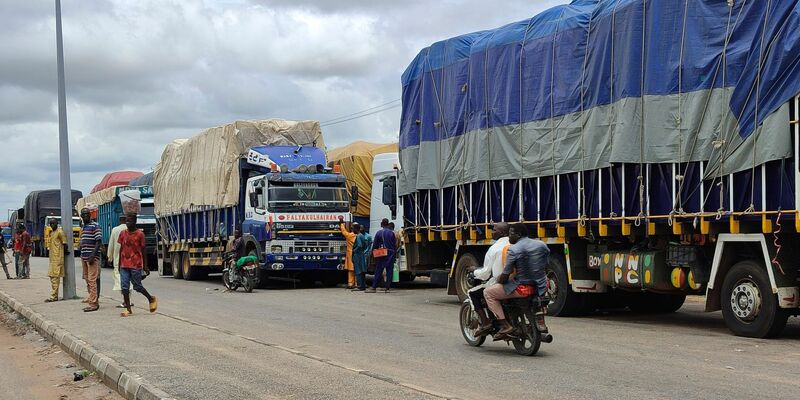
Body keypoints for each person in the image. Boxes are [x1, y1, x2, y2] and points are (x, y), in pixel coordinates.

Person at [483, 223, 549, 336]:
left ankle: (505, 326)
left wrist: (499, 280)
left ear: (518, 234)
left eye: (511, 234)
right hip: (541, 285)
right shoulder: (542, 245)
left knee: (488, 293)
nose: (509, 237)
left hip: (522, 286)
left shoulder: (513, 250)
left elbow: (506, 274)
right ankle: (539, 318)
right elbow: (546, 264)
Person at [470, 223, 510, 337]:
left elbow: (485, 273)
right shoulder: (515, 245)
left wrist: (474, 272)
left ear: (502, 233)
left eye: (494, 230)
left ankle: (486, 322)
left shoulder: (494, 248)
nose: (491, 232)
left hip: (501, 283)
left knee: (473, 293)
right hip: (517, 281)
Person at [117, 213, 157, 317]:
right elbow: (121, 248)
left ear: (135, 222)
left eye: (129, 221)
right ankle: (128, 308)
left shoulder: (140, 234)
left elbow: (143, 250)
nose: (127, 223)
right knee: (124, 287)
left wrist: (145, 266)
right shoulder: (122, 233)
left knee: (137, 286)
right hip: (124, 264)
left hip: (136, 264)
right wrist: (119, 263)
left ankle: (150, 298)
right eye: (126, 221)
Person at [79, 208, 102, 312]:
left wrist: (93, 255)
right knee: (88, 280)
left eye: (87, 214)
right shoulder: (83, 227)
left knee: (92, 280)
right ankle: (91, 298)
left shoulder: (95, 225)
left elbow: (98, 241)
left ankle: (93, 303)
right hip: (84, 256)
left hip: (91, 257)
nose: (85, 216)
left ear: (90, 215)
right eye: (83, 215)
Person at [366, 218, 397, 293]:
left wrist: (372, 253)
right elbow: (394, 244)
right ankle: (387, 288)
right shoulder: (392, 233)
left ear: (382, 224)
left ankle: (374, 287)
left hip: (382, 253)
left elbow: (375, 244)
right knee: (389, 271)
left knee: (378, 270)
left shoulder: (379, 233)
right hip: (391, 253)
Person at [107, 215, 131, 308]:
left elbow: (111, 244)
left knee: (120, 279)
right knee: (129, 280)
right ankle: (128, 300)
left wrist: (109, 257)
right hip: (130, 258)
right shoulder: (131, 229)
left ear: (120, 220)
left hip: (118, 258)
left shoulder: (115, 230)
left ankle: (125, 301)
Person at [45, 218, 67, 302]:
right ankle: (54, 295)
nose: (52, 225)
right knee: (51, 276)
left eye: (53, 223)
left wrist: (64, 253)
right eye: (50, 224)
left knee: (55, 277)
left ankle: (53, 296)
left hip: (57, 258)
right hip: (52, 258)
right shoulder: (52, 233)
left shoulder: (60, 232)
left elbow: (65, 244)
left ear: (57, 224)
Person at [338, 216, 358, 289]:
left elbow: (343, 231)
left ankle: (350, 284)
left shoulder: (349, 236)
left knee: (351, 270)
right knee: (357, 270)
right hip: (358, 255)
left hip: (350, 254)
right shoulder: (360, 236)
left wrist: (341, 223)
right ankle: (356, 284)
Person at [351, 224, 368, 291]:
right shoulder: (362, 236)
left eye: (352, 229)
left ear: (356, 229)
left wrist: (353, 251)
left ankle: (360, 286)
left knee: (358, 271)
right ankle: (363, 285)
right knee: (362, 270)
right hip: (362, 254)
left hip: (357, 255)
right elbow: (365, 246)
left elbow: (359, 245)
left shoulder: (358, 236)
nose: (352, 230)